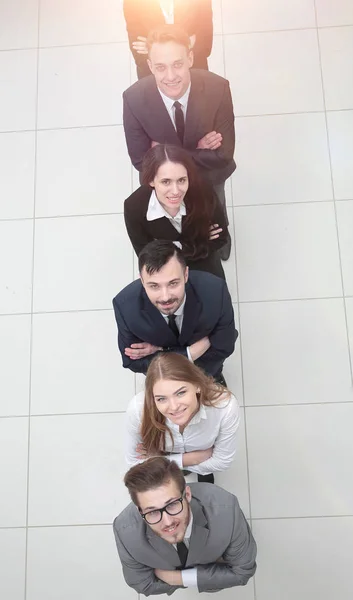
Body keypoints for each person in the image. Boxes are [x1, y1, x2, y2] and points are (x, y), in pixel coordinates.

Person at [122, 24, 235, 260]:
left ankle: (220, 243)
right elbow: (140, 161)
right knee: (177, 216)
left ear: (191, 58)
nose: (171, 76)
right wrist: (197, 150)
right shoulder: (133, 99)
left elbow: (223, 154)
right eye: (161, 67)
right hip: (169, 181)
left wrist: (168, 153)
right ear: (150, 66)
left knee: (215, 210)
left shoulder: (218, 88)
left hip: (209, 177)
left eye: (178, 64)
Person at [113, 457, 257, 595]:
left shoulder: (226, 510)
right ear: (140, 511)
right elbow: (143, 585)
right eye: (152, 512)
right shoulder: (125, 531)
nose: (168, 522)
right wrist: (210, 574)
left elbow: (243, 573)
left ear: (187, 494)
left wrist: (175, 578)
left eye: (173, 504)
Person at [112, 240, 237, 381]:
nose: (165, 297)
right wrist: (189, 353)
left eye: (173, 283)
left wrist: (160, 351)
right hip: (165, 379)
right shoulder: (125, 307)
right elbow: (132, 362)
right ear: (142, 281)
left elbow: (225, 346)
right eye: (154, 286)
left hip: (205, 372)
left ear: (186, 275)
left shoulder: (215, 292)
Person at [125, 352, 240, 486]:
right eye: (161, 399)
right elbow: (134, 465)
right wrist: (192, 459)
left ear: (197, 385)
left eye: (181, 393)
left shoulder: (225, 406)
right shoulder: (138, 409)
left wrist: (157, 460)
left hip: (172, 453)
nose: (174, 407)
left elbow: (222, 462)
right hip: (191, 453)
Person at [124, 144, 228, 279]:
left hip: (205, 264)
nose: (176, 191)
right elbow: (146, 255)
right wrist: (197, 243)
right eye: (166, 182)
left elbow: (221, 238)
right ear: (151, 180)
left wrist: (167, 248)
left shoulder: (203, 191)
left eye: (181, 180)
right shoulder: (134, 207)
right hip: (166, 272)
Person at [123, 0, 213, 79]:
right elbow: (138, 50)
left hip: (194, 71)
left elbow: (205, 42)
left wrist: (154, 45)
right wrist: (184, 43)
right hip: (153, 77)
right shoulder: (132, 2)